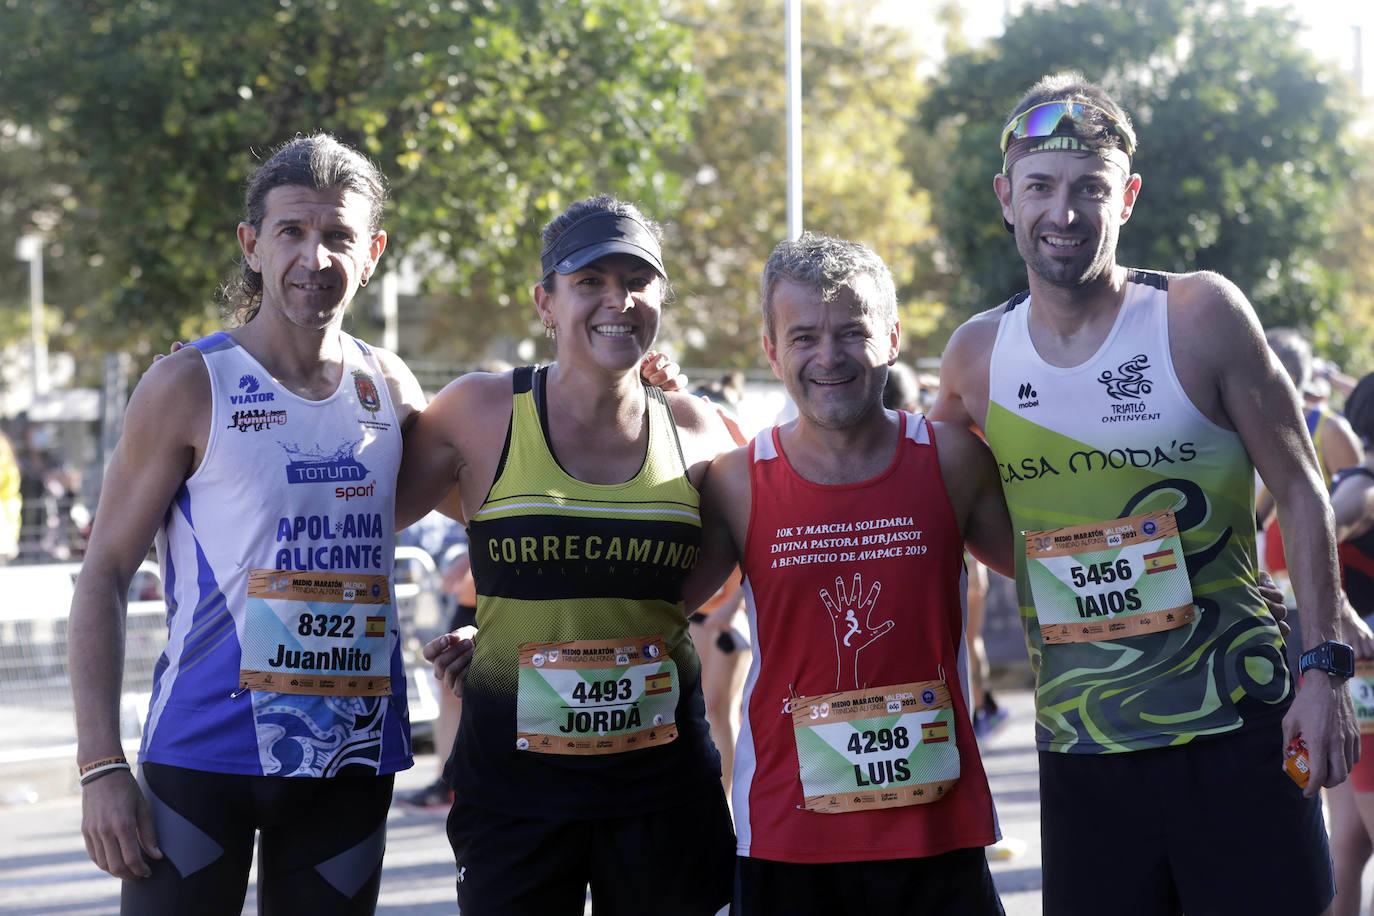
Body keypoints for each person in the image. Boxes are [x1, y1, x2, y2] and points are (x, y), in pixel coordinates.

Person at [931, 71, 1357, 915]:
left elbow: (1303, 490)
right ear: (1005, 199)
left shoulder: (1197, 314)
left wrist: (1322, 674)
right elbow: (948, 509)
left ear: (1125, 197)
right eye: (1041, 187)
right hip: (1085, 744)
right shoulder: (976, 358)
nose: (1065, 212)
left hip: (1240, 727)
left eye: (1090, 188)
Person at [68, 134, 423, 914]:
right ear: (251, 243)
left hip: (349, 760)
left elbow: (495, 492)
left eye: (338, 236)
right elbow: (101, 576)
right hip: (203, 762)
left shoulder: (389, 386)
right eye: (292, 231)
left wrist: (640, 385)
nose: (314, 257)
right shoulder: (188, 383)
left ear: (372, 253)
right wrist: (100, 767)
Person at [400, 194, 737, 915]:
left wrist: (558, 634)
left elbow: (682, 591)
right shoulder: (479, 412)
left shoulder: (699, 432)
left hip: (661, 790)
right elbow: (357, 492)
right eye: (590, 281)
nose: (618, 300)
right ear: (545, 303)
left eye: (637, 281)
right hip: (514, 795)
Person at [685, 231, 1012, 914]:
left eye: (851, 332)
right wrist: (502, 630)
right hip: (788, 834)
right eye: (803, 336)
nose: (828, 356)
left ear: (891, 337)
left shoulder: (953, 460)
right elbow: (649, 607)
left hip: (935, 830)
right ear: (772, 351)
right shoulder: (736, 481)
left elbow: (1055, 577)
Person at [1324, 373, 1374, 915]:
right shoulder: (1364, 485)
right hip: (1366, 681)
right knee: (1347, 848)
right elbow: (1317, 534)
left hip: (1355, 684)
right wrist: (1344, 613)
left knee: (1349, 848)